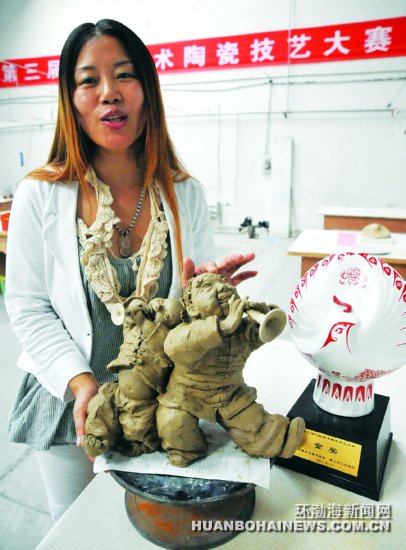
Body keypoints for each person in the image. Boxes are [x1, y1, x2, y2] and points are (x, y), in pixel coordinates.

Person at [5, 19, 257, 522]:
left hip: (162, 401)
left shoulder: (185, 193)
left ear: (146, 90)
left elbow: (188, 310)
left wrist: (210, 298)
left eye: (124, 75)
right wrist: (81, 383)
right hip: (71, 402)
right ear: (71, 99)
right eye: (89, 80)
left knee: (155, 522)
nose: (109, 93)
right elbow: (28, 307)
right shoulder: (40, 194)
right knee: (75, 525)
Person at [156, 273, 305, 467]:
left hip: (231, 394)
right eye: (207, 286)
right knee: (173, 425)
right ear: (192, 308)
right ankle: (186, 450)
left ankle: (283, 439)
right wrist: (223, 327)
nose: (222, 286)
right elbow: (174, 347)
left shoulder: (241, 329)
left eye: (224, 281)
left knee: (256, 429)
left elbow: (261, 334)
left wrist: (262, 315)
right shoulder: (184, 330)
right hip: (184, 395)